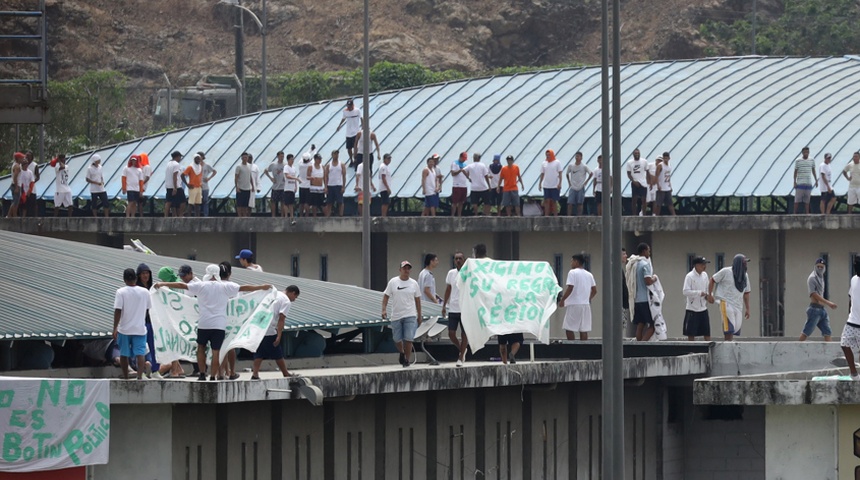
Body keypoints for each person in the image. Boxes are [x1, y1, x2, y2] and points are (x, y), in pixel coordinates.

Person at [155, 264, 271, 381]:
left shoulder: (201, 286)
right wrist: (262, 287)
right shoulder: (225, 287)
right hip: (219, 325)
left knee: (201, 348)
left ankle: (201, 374)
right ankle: (213, 376)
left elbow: (182, 285)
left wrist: (163, 284)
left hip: (204, 323)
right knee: (216, 351)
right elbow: (244, 288)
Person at [251, 285, 300, 380]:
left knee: (259, 352)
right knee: (277, 352)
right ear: (293, 292)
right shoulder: (286, 301)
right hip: (269, 328)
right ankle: (285, 373)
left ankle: (255, 374)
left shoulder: (274, 294)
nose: (294, 299)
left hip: (259, 326)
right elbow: (281, 319)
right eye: (295, 297)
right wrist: (279, 335)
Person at [113, 268, 152, 380]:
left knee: (124, 354)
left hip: (124, 329)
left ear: (124, 279)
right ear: (136, 278)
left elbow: (118, 310)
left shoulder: (121, 292)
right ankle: (139, 376)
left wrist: (115, 327)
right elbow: (148, 309)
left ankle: (126, 377)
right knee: (140, 353)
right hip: (140, 329)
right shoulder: (145, 292)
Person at [382, 260, 422, 367]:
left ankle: (407, 360)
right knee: (397, 339)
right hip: (396, 315)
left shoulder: (414, 283)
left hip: (410, 314)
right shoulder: (393, 282)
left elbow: (418, 300)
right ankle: (402, 352)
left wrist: (419, 315)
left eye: (408, 268)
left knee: (408, 338)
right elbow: (386, 296)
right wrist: (384, 309)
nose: (406, 270)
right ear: (400, 270)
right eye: (404, 268)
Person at [709, 254, 751, 341]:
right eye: (744, 263)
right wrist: (710, 294)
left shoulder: (745, 276)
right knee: (729, 327)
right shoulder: (726, 271)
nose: (745, 265)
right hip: (726, 302)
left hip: (738, 305)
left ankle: (730, 342)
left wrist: (747, 308)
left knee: (736, 328)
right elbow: (713, 279)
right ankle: (727, 345)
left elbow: (746, 293)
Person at [558, 254, 597, 340]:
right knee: (584, 329)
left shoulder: (572, 272)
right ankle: (583, 349)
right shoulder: (589, 274)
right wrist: (588, 298)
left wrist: (563, 300)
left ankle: (572, 347)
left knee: (569, 328)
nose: (571, 263)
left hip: (574, 304)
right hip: (585, 305)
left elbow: (570, 287)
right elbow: (594, 290)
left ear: (576, 262)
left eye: (572, 261)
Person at [799, 257, 837, 341]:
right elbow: (813, 294)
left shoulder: (821, 277)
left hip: (822, 309)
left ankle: (829, 353)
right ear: (815, 266)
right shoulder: (812, 278)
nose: (820, 268)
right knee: (807, 331)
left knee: (827, 331)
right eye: (818, 266)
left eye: (822, 267)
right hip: (814, 309)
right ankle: (795, 349)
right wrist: (828, 303)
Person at [442, 252, 468, 366]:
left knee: (464, 333)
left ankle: (461, 357)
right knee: (451, 333)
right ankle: (462, 349)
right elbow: (448, 289)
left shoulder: (468, 273)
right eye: (456, 259)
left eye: (460, 259)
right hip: (453, 308)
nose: (458, 260)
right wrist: (444, 305)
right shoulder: (451, 273)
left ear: (464, 260)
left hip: (465, 308)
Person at [629, 243, 657, 341]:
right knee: (653, 325)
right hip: (645, 300)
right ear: (644, 251)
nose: (649, 253)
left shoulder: (635, 264)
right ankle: (643, 344)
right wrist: (655, 278)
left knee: (640, 324)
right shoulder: (645, 264)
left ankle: (638, 344)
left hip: (637, 299)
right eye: (648, 250)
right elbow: (648, 281)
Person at [682, 257, 713, 341]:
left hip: (703, 308)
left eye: (705, 264)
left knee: (706, 332)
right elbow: (685, 291)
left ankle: (708, 349)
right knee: (691, 333)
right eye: (703, 264)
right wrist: (698, 293)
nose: (704, 266)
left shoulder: (705, 275)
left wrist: (709, 296)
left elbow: (707, 289)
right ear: (697, 265)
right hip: (692, 309)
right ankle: (691, 349)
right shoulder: (689, 276)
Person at [840, 255, 860, 381]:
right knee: (844, 344)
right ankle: (854, 373)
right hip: (852, 321)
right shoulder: (854, 279)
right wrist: (849, 313)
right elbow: (850, 297)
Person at [336, 99, 362, 166]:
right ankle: (351, 160)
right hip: (348, 133)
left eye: (350, 106)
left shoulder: (357, 110)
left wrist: (363, 127)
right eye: (348, 106)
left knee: (356, 146)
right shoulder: (345, 111)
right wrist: (339, 125)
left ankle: (356, 159)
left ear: (353, 105)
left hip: (356, 132)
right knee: (349, 148)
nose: (349, 108)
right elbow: (343, 118)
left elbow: (361, 118)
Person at [566, 152, 593, 216]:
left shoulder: (584, 166)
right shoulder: (571, 166)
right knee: (570, 203)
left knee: (580, 203)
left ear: (581, 158)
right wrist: (569, 182)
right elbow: (567, 173)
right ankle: (568, 216)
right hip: (573, 186)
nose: (577, 158)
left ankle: (579, 217)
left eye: (578, 156)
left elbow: (591, 173)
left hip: (580, 186)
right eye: (576, 156)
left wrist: (586, 181)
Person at [539, 149, 563, 216]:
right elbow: (542, 174)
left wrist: (560, 183)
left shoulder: (557, 162)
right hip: (546, 185)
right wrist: (540, 183)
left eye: (549, 155)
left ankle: (555, 216)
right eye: (547, 155)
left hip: (555, 185)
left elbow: (560, 173)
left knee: (554, 201)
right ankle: (546, 215)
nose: (548, 156)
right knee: (547, 201)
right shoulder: (544, 163)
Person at [793, 146, 817, 214]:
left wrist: (816, 179)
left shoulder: (811, 160)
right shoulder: (798, 161)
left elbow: (813, 170)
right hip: (800, 182)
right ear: (802, 153)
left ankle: (807, 213)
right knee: (797, 199)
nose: (806, 153)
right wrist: (794, 182)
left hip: (808, 182)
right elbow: (795, 171)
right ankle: (795, 213)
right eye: (805, 152)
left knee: (807, 200)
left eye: (807, 152)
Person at [626, 148, 649, 216]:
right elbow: (628, 173)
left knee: (644, 199)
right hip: (635, 182)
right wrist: (633, 181)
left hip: (643, 182)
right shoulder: (629, 162)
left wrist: (648, 181)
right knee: (634, 199)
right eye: (635, 153)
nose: (637, 154)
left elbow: (647, 171)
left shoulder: (644, 161)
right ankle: (634, 214)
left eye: (638, 153)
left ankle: (644, 214)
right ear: (633, 154)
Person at [324, 150, 347, 217]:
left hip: (338, 185)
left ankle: (341, 215)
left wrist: (343, 186)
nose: (336, 155)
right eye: (334, 154)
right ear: (332, 155)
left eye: (337, 154)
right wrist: (325, 187)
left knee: (340, 201)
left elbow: (344, 175)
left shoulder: (341, 164)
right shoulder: (329, 165)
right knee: (329, 202)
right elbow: (326, 176)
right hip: (330, 185)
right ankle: (328, 215)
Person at [265, 151, 287, 218]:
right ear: (277, 156)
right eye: (281, 156)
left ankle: (282, 215)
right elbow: (266, 170)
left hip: (283, 186)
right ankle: (273, 215)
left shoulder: (285, 165)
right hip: (275, 186)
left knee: (283, 202)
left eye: (283, 156)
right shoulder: (273, 164)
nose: (282, 158)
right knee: (273, 201)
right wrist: (271, 178)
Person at [164, 151, 186, 217]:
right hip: (176, 186)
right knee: (183, 201)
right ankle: (180, 214)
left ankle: (165, 216)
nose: (180, 159)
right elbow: (175, 176)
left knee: (168, 202)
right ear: (177, 157)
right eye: (180, 157)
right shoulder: (176, 164)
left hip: (168, 185)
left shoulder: (168, 164)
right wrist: (175, 187)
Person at [450, 152, 470, 217]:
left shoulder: (465, 165)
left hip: (463, 185)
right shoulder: (455, 163)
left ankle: (459, 215)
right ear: (460, 157)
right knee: (455, 201)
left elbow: (467, 174)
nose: (464, 160)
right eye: (463, 158)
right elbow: (453, 173)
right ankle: (453, 215)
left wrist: (468, 175)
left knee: (461, 201)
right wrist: (459, 171)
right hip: (457, 185)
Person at [235, 152, 254, 217]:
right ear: (242, 158)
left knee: (245, 204)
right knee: (240, 203)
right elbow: (236, 177)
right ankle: (240, 216)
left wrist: (253, 185)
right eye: (244, 157)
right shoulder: (239, 167)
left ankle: (244, 216)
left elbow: (250, 176)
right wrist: (236, 187)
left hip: (247, 187)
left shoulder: (249, 166)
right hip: (240, 187)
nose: (245, 159)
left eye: (246, 157)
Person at [297, 148, 315, 217]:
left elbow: (302, 158)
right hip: (308, 186)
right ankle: (306, 215)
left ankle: (301, 215)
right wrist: (314, 150)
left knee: (301, 202)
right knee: (307, 202)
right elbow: (313, 158)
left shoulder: (300, 164)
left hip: (301, 185)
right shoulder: (310, 165)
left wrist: (309, 150)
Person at [6, 152, 24, 218]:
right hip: (16, 185)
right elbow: (15, 177)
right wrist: (16, 187)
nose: (22, 159)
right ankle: (13, 215)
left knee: (15, 201)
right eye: (21, 158)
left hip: (15, 185)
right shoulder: (17, 166)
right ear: (18, 159)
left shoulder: (16, 165)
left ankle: (10, 215)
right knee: (15, 202)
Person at [199, 151, 217, 217]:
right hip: (197, 185)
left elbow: (214, 171)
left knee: (205, 200)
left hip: (205, 185)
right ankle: (198, 214)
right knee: (198, 201)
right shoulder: (196, 166)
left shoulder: (206, 166)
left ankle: (205, 215)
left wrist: (209, 178)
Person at [283, 153, 298, 224]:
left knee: (291, 203)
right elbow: (287, 176)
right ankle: (286, 215)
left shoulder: (294, 168)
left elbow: (294, 177)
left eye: (293, 159)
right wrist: (295, 178)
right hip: (287, 188)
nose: (292, 161)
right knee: (286, 203)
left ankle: (291, 216)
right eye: (291, 159)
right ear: (288, 160)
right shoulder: (286, 167)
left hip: (292, 188)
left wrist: (296, 186)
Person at [621, 248, 633, 337]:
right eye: (624, 254)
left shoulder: (620, 270)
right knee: (619, 325)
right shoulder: (615, 270)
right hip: (618, 305)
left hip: (622, 304)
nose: (626, 256)